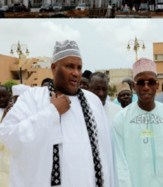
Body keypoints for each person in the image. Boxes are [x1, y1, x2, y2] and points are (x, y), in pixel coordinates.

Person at [0, 40, 113, 186]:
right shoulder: (32, 98)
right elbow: (9, 136)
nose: (76, 73)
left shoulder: (94, 102)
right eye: (69, 66)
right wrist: (52, 112)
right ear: (54, 68)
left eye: (79, 67)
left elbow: (106, 155)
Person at [112, 58, 163, 187]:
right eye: (141, 83)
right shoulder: (121, 119)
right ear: (134, 86)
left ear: (157, 85)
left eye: (151, 82)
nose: (146, 87)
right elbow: (119, 164)